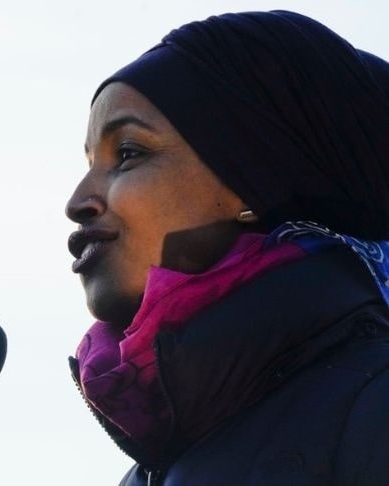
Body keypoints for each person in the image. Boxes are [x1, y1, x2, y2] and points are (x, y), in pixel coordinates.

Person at [65, 10, 389, 486]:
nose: (77, 202)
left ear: (258, 178)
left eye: (129, 154)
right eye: (90, 163)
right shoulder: (155, 465)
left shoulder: (374, 410)